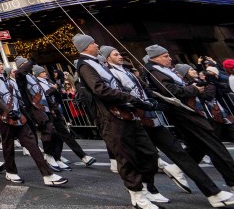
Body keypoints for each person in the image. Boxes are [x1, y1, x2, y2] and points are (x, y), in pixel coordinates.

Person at [103, 46, 234, 208]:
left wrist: (153, 103)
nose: (120, 56)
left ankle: (212, 193)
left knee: (180, 153)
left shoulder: (128, 71)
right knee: (146, 157)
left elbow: (146, 91)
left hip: (151, 117)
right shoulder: (112, 72)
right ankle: (141, 190)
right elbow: (114, 92)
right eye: (115, 54)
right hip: (134, 118)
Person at [73, 35, 157, 209]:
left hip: (127, 112)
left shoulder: (97, 63)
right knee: (125, 156)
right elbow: (100, 89)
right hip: (111, 116)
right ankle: (137, 194)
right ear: (86, 46)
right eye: (94, 43)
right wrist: (130, 98)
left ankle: (146, 187)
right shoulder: (84, 65)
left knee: (149, 152)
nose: (97, 45)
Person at [144, 45, 234, 193]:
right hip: (186, 113)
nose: (170, 58)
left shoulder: (163, 70)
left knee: (199, 147)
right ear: (155, 57)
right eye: (166, 56)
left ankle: (176, 168)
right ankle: (231, 182)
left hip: (193, 112)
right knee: (215, 147)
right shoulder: (154, 71)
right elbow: (170, 90)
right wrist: (194, 89)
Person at [0, 57, 67, 187]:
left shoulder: (9, 80)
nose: (1, 66)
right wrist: (8, 110)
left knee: (32, 145)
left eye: (1, 63)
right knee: (8, 147)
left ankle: (48, 175)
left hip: (19, 117)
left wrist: (24, 114)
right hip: (5, 118)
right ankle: (11, 172)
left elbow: (18, 97)